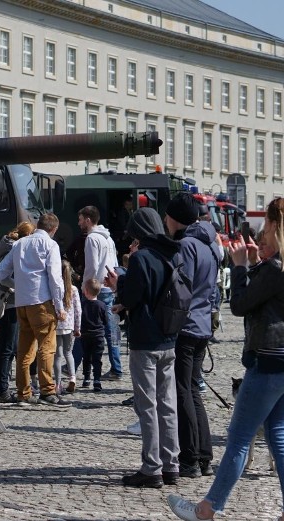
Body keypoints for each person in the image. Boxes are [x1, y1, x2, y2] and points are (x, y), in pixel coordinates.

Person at [168, 197, 284, 521]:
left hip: (270, 363)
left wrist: (238, 265)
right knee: (278, 434)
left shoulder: (278, 268)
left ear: (276, 225)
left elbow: (240, 304)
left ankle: (207, 509)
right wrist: (256, 261)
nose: (263, 228)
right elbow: (274, 292)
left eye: (267, 223)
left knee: (238, 439)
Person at [108, 207, 181, 489]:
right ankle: (171, 463)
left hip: (146, 339)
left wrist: (118, 286)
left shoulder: (141, 258)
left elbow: (133, 296)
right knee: (167, 404)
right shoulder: (171, 253)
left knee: (146, 404)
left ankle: (152, 468)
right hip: (169, 336)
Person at [0, 213, 70, 408]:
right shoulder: (50, 245)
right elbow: (55, 278)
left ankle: (23, 392)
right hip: (42, 302)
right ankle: (47, 391)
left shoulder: (19, 245)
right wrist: (60, 307)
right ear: (54, 229)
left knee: (25, 349)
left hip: (21, 303)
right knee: (46, 347)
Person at [163, 193, 220, 479]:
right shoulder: (209, 245)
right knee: (193, 391)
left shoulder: (186, 245)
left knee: (183, 391)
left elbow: (180, 288)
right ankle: (204, 457)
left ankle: (189, 458)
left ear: (174, 218)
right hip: (202, 326)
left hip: (186, 326)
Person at [0, 221, 35, 402]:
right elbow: (4, 278)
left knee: (9, 348)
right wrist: (21, 287)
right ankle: (2, 391)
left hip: (13, 302)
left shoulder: (10, 246)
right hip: (9, 303)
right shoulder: (14, 249)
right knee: (7, 348)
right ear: (27, 236)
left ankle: (4, 388)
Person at [78, 205, 124, 381]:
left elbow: (92, 266)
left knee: (86, 329)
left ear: (88, 220)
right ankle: (116, 368)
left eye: (81, 219)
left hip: (96, 288)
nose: (79, 223)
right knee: (110, 331)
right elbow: (114, 262)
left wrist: (86, 286)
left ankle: (73, 365)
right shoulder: (109, 238)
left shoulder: (92, 239)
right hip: (109, 286)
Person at [55, 260, 81, 394]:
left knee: (58, 356)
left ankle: (58, 384)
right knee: (68, 353)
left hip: (57, 326)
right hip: (69, 326)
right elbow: (78, 310)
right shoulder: (74, 290)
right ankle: (72, 378)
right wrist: (77, 327)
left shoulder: (54, 288)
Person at [80, 278, 108, 391]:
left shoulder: (83, 305)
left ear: (85, 291)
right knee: (97, 359)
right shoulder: (102, 305)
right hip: (98, 336)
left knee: (86, 357)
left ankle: (86, 378)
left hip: (85, 335)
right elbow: (105, 320)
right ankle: (97, 380)